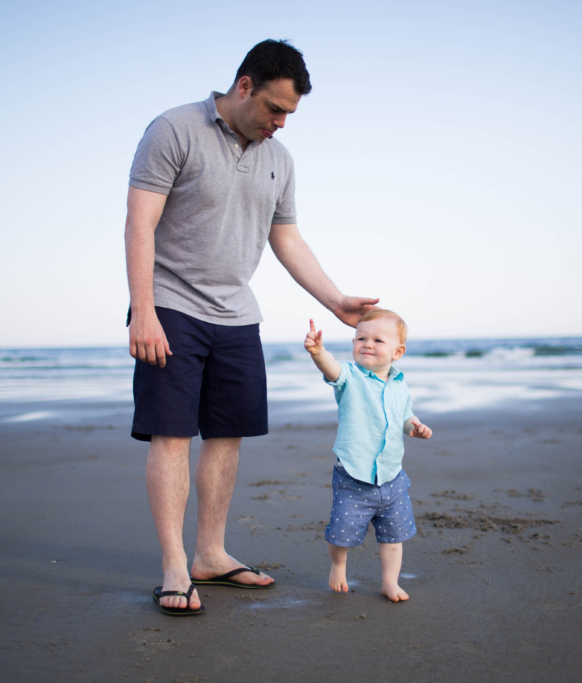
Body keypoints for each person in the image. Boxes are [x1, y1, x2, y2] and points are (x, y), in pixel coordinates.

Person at [125, 40, 379, 616]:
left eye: (290, 113)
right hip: (170, 305)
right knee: (171, 434)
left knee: (227, 434)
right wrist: (144, 310)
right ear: (244, 86)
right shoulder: (174, 129)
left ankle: (210, 554)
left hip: (238, 314)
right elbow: (139, 224)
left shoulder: (278, 159)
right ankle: (174, 565)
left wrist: (335, 300)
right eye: (274, 108)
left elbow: (286, 238)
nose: (281, 122)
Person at [303, 310, 433, 602]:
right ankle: (338, 565)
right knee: (341, 534)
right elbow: (331, 369)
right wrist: (318, 353)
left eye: (378, 340)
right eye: (361, 338)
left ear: (398, 352)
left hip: (392, 478)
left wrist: (415, 426)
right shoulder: (350, 376)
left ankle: (390, 581)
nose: (368, 344)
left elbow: (405, 416)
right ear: (353, 343)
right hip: (354, 477)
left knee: (394, 537)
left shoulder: (400, 385)